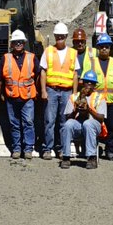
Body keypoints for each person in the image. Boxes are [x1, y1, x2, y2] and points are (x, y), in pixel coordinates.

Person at [85, 33, 113, 161]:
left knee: (112, 128)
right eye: (102, 47)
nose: (104, 49)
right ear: (98, 48)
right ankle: (93, 150)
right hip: (96, 103)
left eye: (107, 47)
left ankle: (111, 151)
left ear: (110, 48)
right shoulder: (91, 63)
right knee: (94, 127)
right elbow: (86, 82)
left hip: (111, 102)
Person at [41, 21, 79, 160]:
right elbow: (43, 72)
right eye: (57, 36)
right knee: (49, 120)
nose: (60, 38)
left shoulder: (72, 53)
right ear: (55, 36)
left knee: (63, 121)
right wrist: (44, 91)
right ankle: (47, 148)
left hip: (66, 92)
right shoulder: (48, 51)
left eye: (62, 36)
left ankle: (62, 149)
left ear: (66, 36)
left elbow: (75, 74)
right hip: (51, 90)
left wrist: (74, 93)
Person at [1, 29, 37, 159]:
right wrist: (2, 94)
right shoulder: (6, 58)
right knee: (14, 124)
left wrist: (36, 92)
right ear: (11, 44)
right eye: (15, 42)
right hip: (11, 98)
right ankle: (16, 148)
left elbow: (38, 75)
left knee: (28, 123)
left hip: (27, 98)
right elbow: (0, 78)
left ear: (24, 43)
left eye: (20, 42)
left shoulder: (31, 57)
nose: (18, 44)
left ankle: (28, 149)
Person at [60, 70, 106, 170]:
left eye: (92, 82)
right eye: (87, 82)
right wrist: (76, 110)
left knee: (88, 124)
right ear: (83, 83)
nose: (89, 84)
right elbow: (68, 117)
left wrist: (89, 110)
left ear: (95, 85)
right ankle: (66, 157)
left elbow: (101, 118)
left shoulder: (100, 97)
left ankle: (91, 158)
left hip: (93, 125)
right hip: (78, 124)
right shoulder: (74, 96)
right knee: (67, 125)